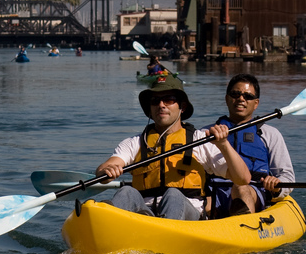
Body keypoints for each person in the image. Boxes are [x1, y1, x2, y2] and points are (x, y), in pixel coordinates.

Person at [95, 74, 251, 221]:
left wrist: (223, 145)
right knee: (127, 192)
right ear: (150, 108)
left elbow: (242, 178)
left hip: (188, 214)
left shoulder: (200, 139)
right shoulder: (135, 142)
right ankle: (104, 220)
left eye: (168, 99)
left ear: (182, 107)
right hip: (145, 213)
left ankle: (163, 235)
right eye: (155, 101)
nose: (161, 105)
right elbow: (108, 165)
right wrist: (106, 171)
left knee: (173, 194)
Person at [206, 73, 295, 217]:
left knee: (241, 188)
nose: (241, 99)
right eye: (235, 94)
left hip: (252, 190)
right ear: (227, 99)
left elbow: (287, 177)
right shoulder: (207, 133)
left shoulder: (269, 134)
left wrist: (277, 185)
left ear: (256, 103)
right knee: (203, 198)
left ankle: (243, 228)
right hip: (215, 190)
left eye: (248, 96)